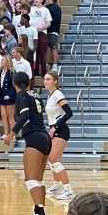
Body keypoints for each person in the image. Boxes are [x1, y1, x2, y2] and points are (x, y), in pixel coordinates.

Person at [4, 71, 51, 215]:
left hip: (35, 138)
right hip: (45, 138)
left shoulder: (20, 95)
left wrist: (11, 134)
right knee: (38, 179)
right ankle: (39, 213)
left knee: (31, 179)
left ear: (14, 84)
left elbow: (24, 117)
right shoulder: (35, 94)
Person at [43, 71, 74, 200]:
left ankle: (68, 189)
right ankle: (57, 185)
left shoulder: (57, 95)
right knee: (51, 160)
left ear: (55, 81)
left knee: (55, 160)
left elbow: (69, 113)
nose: (45, 81)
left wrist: (55, 126)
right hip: (53, 130)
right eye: (44, 79)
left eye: (48, 79)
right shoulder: (50, 96)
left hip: (61, 130)